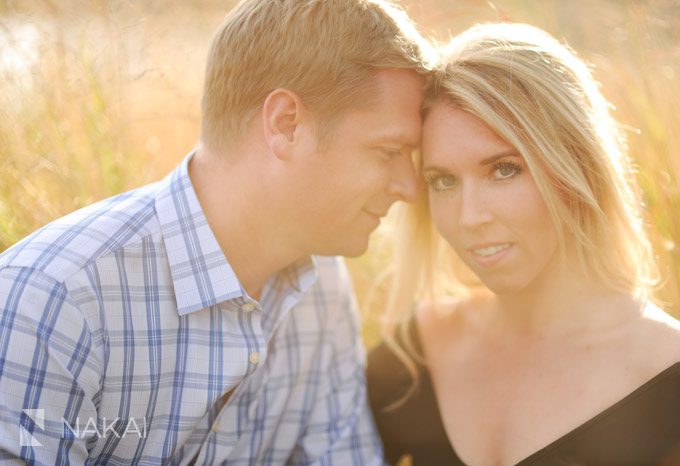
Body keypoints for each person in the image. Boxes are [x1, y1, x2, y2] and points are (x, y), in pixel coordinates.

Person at [0, 0, 433, 464]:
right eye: (388, 151)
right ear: (287, 124)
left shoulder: (323, 289)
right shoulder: (52, 303)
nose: (409, 187)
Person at [368, 22, 680, 466]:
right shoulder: (413, 355)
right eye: (443, 180)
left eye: (503, 170)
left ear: (576, 165)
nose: (469, 217)